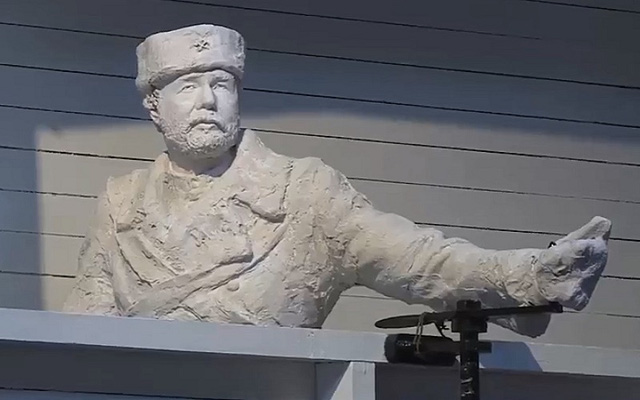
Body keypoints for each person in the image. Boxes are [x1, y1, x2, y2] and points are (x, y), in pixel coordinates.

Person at [63, 24, 611, 337]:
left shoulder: (303, 192)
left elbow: (421, 262)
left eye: (221, 84)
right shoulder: (121, 204)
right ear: (154, 106)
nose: (207, 100)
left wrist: (531, 274)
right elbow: (83, 331)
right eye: (187, 86)